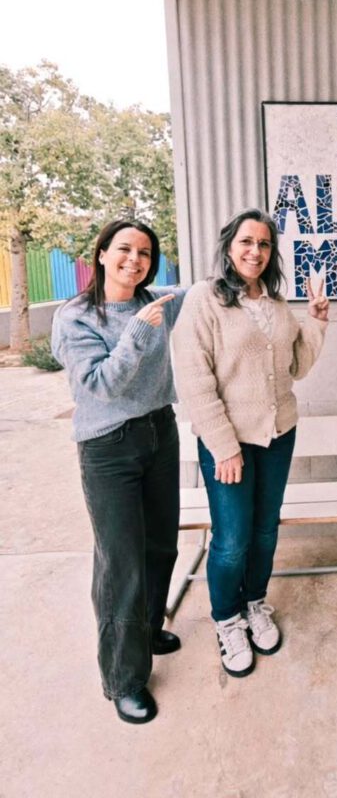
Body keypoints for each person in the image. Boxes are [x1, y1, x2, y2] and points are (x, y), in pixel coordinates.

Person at [172, 208, 329, 678]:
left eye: (263, 244)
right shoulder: (204, 299)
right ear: (228, 246)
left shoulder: (277, 305)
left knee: (264, 530)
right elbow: (194, 379)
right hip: (229, 443)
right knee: (232, 540)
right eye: (246, 242)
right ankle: (227, 619)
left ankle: (255, 603)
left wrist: (316, 322)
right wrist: (223, 446)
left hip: (278, 435)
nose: (254, 251)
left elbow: (296, 367)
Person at [51, 219, 186, 725]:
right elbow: (101, 386)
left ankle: (148, 631)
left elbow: (207, 291)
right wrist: (136, 332)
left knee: (161, 545)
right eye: (124, 249)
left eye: (146, 252)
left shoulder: (158, 301)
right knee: (121, 562)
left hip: (159, 431)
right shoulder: (76, 317)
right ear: (102, 254)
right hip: (108, 446)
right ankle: (124, 679)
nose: (135, 259)